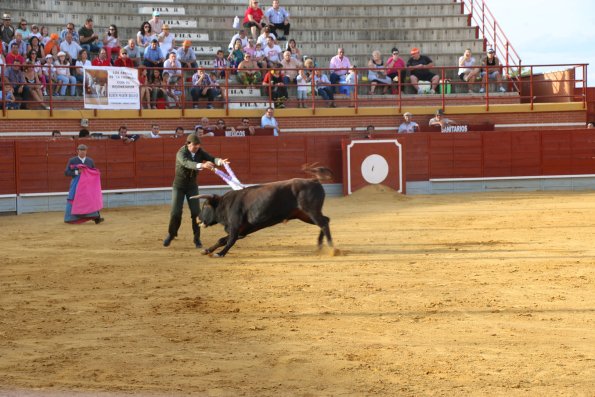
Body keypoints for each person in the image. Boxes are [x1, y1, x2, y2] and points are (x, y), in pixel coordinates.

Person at [163, 134, 229, 248]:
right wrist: (202, 165)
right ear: (188, 144)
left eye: (198, 145)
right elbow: (187, 163)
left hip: (192, 187)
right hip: (179, 186)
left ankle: (197, 238)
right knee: (175, 212)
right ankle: (171, 234)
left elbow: (212, 158)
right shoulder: (181, 153)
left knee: (196, 213)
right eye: (195, 145)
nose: (197, 147)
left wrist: (220, 162)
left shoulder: (200, 152)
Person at [64, 143, 104, 224]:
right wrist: (77, 172)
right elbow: (66, 172)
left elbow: (93, 172)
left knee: (91, 199)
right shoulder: (72, 160)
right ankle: (70, 218)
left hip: (88, 184)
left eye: (84, 150)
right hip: (77, 184)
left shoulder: (90, 161)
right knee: (75, 199)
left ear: (86, 151)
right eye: (81, 150)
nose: (82, 152)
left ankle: (96, 217)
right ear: (77, 151)